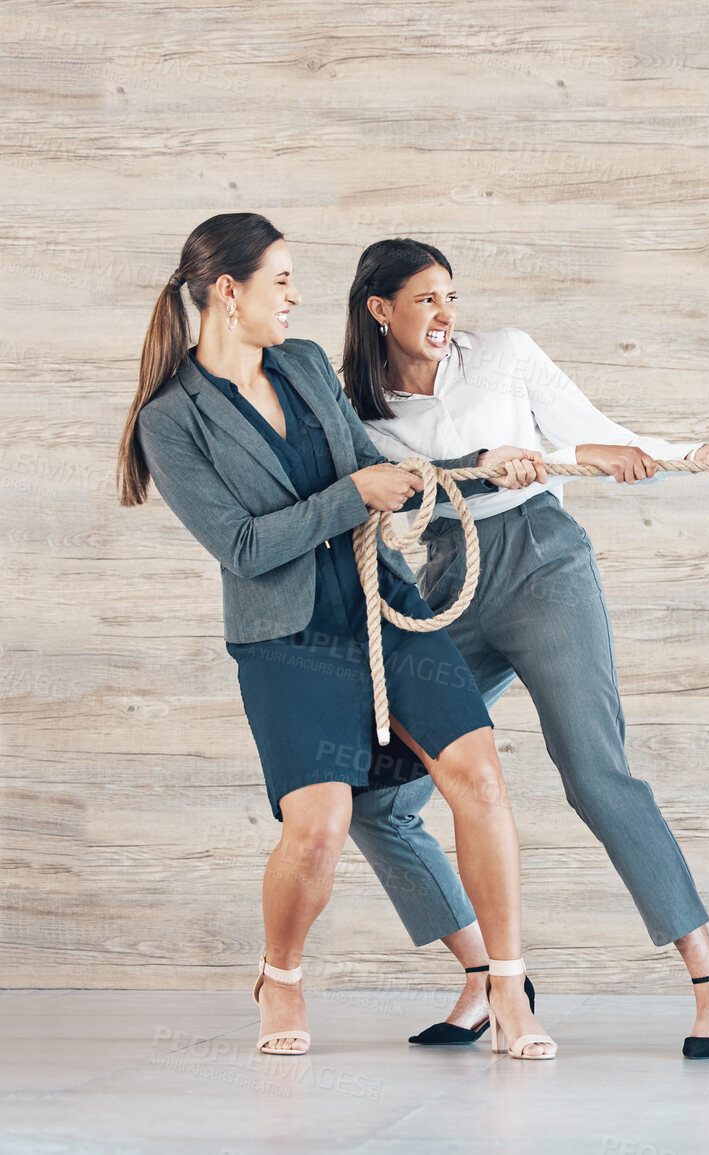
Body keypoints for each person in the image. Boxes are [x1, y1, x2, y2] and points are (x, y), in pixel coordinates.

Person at [118, 214, 555, 1059]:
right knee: (317, 826)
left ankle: (506, 982)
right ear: (226, 291)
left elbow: (380, 470)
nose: (295, 295)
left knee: (481, 779)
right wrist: (351, 492)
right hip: (284, 635)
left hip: (378, 606)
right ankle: (279, 975)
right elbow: (243, 547)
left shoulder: (308, 364)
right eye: (280, 279)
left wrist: (475, 465)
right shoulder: (170, 421)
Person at [337, 237, 709, 1058]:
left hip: (543, 564)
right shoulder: (363, 413)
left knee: (596, 774)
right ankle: (488, 975)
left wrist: (694, 455)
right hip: (451, 579)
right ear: (379, 309)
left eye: (449, 296)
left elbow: (600, 437)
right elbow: (401, 488)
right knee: (373, 795)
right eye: (425, 299)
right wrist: (485, 465)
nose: (445, 314)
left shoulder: (505, 355)